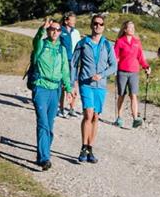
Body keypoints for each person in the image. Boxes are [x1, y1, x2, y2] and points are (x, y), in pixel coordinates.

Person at [26, 17, 71, 169]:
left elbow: (65, 70)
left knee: (50, 125)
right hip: (40, 87)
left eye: (58, 30)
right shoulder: (41, 45)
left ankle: (41, 154)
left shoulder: (62, 49)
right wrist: (41, 29)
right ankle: (45, 158)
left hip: (55, 89)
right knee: (43, 122)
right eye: (52, 29)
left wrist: (69, 89)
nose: (55, 32)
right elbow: (36, 40)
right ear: (48, 30)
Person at [72, 12, 115, 163]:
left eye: (100, 24)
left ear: (103, 27)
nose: (97, 26)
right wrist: (72, 83)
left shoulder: (107, 44)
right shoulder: (83, 43)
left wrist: (102, 75)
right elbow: (74, 64)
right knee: (88, 115)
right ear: (91, 25)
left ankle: (90, 148)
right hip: (86, 84)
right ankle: (83, 147)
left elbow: (113, 66)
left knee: (96, 117)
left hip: (101, 86)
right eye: (95, 23)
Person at [113, 19, 151, 128]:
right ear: (125, 29)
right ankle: (119, 117)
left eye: (133, 27)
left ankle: (135, 118)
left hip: (134, 72)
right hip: (122, 71)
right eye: (130, 27)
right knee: (121, 95)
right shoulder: (120, 41)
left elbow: (140, 57)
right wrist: (113, 68)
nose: (132, 29)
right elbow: (115, 57)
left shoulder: (137, 42)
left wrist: (146, 67)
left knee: (133, 95)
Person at [57, 12, 81, 116]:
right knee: (63, 85)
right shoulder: (60, 31)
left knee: (74, 84)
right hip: (63, 60)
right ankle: (61, 108)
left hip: (74, 61)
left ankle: (72, 108)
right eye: (72, 19)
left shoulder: (76, 32)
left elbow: (79, 46)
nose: (74, 21)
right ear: (67, 21)